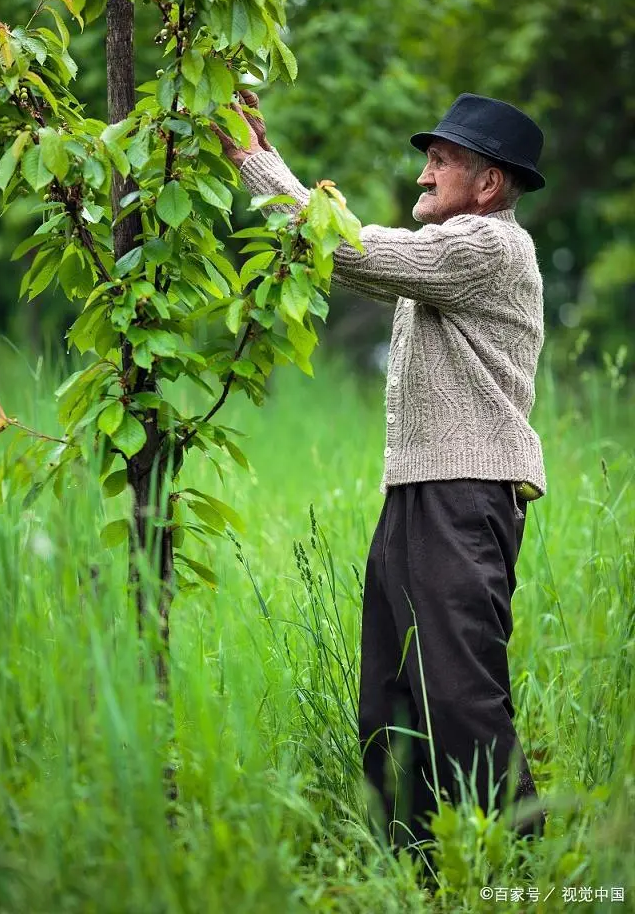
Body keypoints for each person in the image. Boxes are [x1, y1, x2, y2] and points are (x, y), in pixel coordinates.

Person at [211, 91, 548, 858]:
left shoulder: (486, 246)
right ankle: (417, 869)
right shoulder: (458, 248)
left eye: (441, 162)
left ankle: (530, 873)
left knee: (459, 698)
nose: (423, 175)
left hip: (463, 497)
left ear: (489, 184)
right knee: (391, 703)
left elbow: (355, 252)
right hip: (423, 494)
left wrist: (254, 163)